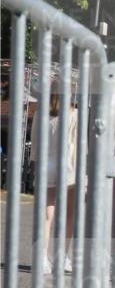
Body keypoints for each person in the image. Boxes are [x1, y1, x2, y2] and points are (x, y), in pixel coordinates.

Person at [30, 93, 78, 274]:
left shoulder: (40, 113)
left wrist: (36, 162)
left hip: (46, 163)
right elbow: (77, 143)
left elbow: (34, 141)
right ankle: (62, 257)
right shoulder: (74, 113)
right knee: (68, 214)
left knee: (46, 214)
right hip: (67, 165)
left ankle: (42, 258)